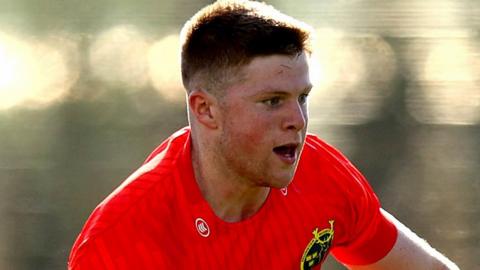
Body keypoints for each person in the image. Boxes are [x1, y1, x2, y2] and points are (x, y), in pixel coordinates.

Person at [68, 1, 459, 269]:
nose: (298, 120)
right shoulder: (119, 242)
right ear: (205, 110)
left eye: (302, 97)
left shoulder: (320, 174)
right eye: (272, 101)